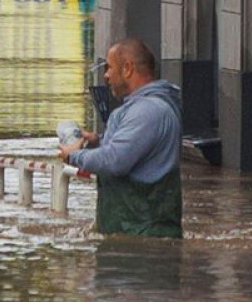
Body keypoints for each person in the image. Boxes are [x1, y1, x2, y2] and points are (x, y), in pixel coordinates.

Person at [58, 37, 182, 237]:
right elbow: (128, 152)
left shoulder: (148, 111)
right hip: (132, 236)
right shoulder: (141, 109)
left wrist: (74, 155)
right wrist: (98, 141)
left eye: (109, 68)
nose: (106, 75)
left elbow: (115, 161)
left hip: (143, 241)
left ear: (127, 69)